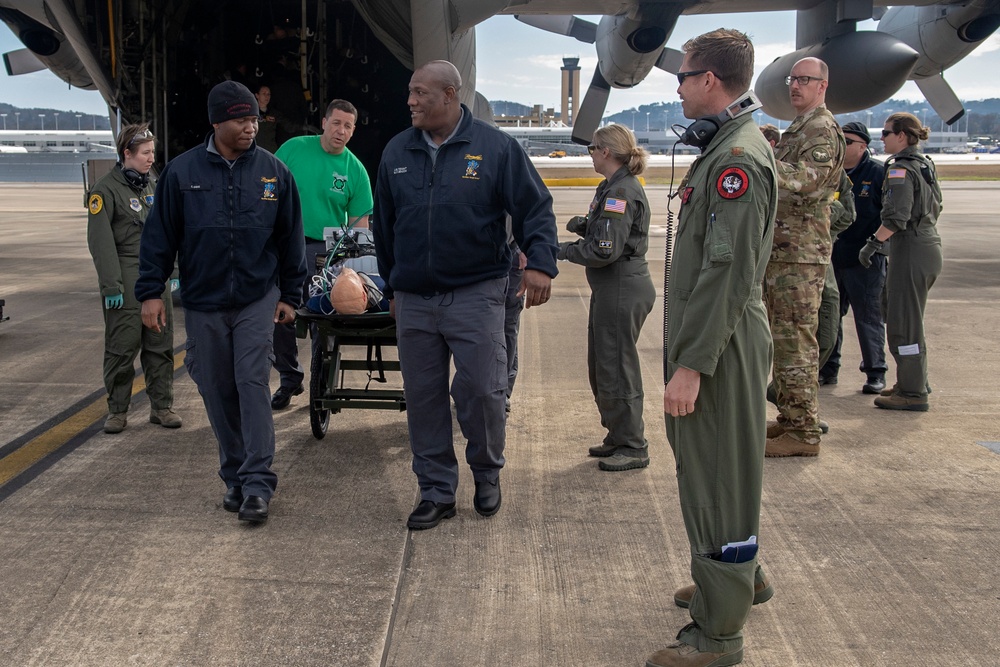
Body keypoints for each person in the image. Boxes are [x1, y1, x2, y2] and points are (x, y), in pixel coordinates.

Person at [372, 60, 558, 530]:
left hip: (477, 292)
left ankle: (487, 472)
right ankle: (436, 491)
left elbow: (535, 207)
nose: (410, 101)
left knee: (482, 390)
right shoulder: (396, 150)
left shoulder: (495, 148)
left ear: (451, 95)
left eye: (420, 92)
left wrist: (540, 264)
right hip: (414, 298)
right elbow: (385, 227)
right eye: (410, 92)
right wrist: (392, 282)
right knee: (423, 397)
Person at [653, 29, 776, 667]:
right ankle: (736, 580)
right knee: (725, 469)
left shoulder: (736, 160)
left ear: (709, 81)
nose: (675, 87)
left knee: (716, 480)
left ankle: (718, 635)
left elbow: (725, 275)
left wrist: (691, 366)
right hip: (721, 335)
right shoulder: (729, 145)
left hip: (719, 345)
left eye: (682, 76)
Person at [136, 80, 307, 524]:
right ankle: (233, 474)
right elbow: (159, 238)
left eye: (253, 118)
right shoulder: (181, 172)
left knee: (251, 381)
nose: (251, 126)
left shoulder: (274, 173)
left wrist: (291, 295)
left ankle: (257, 483)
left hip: (256, 295)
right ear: (216, 122)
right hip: (204, 299)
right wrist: (150, 292)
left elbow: (290, 238)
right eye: (241, 119)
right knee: (215, 387)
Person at [558, 123, 656, 471]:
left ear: (606, 151)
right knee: (603, 365)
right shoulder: (610, 187)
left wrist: (563, 250)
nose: (590, 155)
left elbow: (605, 249)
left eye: (592, 149)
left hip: (621, 286)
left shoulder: (621, 192)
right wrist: (585, 225)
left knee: (617, 366)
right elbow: (608, 233)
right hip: (612, 287)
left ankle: (632, 444)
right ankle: (618, 434)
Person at [764, 57, 845, 458]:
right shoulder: (801, 126)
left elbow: (805, 181)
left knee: (795, 340)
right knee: (784, 338)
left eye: (804, 80)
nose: (795, 85)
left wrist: (759, 160)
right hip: (786, 251)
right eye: (792, 79)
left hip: (800, 254)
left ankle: (804, 432)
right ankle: (792, 417)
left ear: (822, 86)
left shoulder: (821, 128)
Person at [269, 99, 374, 410]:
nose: (341, 131)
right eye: (337, 123)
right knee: (279, 314)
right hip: (285, 245)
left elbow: (361, 229)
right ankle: (290, 379)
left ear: (353, 131)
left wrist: (350, 270)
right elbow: (267, 189)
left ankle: (321, 383)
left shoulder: (355, 171)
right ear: (325, 122)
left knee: (324, 318)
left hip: (325, 252)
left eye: (348, 126)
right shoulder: (292, 149)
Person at [87, 123, 181, 434]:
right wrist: (111, 285)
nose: (151, 158)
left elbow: (170, 232)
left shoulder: (153, 186)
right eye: (145, 153)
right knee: (122, 348)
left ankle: (162, 407)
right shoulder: (105, 190)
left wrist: (175, 272)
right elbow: (101, 244)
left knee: (159, 345)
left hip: (155, 276)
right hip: (126, 276)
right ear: (126, 154)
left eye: (153, 152)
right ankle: (117, 411)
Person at [863, 112, 943, 411]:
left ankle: (912, 392)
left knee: (904, 323)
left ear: (902, 135)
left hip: (910, 249)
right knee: (905, 316)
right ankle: (913, 380)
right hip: (926, 245)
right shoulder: (924, 164)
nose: (881, 138)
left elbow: (897, 216)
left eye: (885, 133)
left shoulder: (901, 170)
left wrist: (873, 243)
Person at [821, 121, 888, 394]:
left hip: (865, 260)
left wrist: (876, 247)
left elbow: (891, 214)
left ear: (863, 145)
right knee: (829, 317)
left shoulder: (878, 173)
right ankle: (828, 370)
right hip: (833, 257)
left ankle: (875, 372)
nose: (841, 145)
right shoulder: (831, 173)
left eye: (847, 141)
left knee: (868, 317)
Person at [254, 84, 280, 153]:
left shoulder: (274, 113)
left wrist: (304, 127)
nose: (267, 96)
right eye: (264, 93)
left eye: (268, 94)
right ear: (257, 95)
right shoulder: (251, 111)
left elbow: (288, 125)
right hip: (256, 150)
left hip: (271, 151)